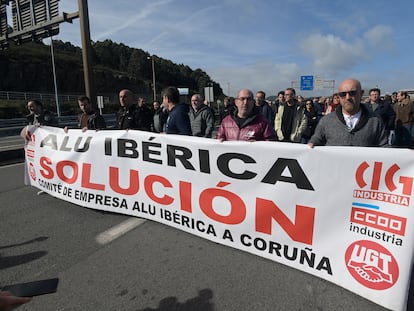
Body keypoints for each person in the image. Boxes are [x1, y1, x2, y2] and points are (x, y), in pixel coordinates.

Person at [308, 78, 388, 147]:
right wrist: (313, 143)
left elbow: (384, 146)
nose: (347, 97)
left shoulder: (375, 121)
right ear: (338, 97)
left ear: (361, 93)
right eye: (343, 94)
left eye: (352, 93)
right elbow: (317, 138)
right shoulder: (326, 121)